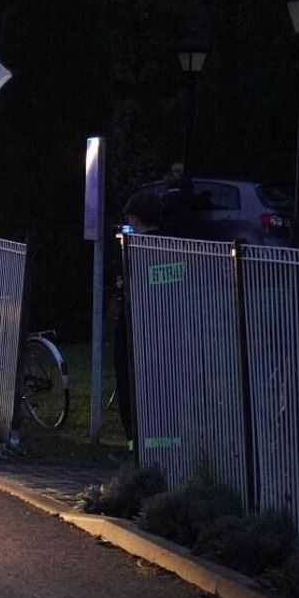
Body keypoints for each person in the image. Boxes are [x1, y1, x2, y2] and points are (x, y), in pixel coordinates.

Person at [112, 190, 179, 451]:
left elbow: (127, 291)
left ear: (136, 219)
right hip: (168, 327)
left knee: (132, 388)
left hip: (135, 330)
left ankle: (137, 447)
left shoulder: (135, 250)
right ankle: (168, 445)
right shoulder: (173, 246)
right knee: (166, 389)